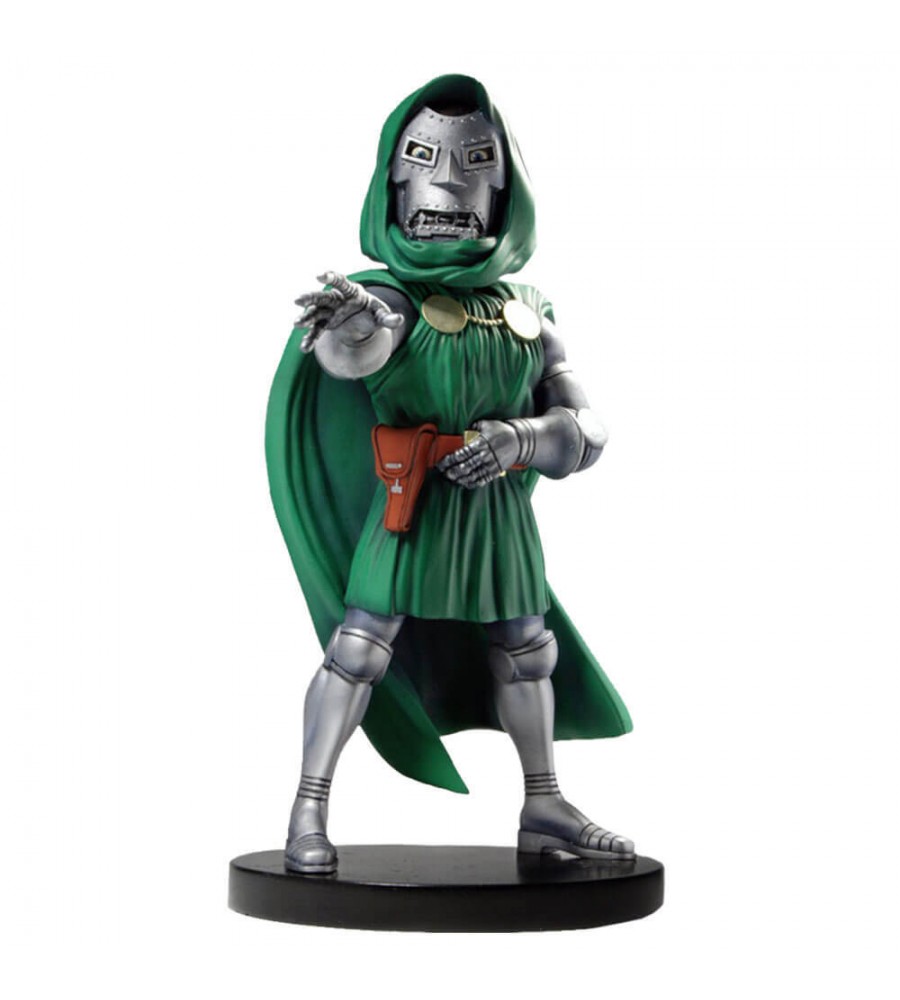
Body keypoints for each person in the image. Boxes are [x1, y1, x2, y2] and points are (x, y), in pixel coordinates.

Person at [266, 74, 635, 874]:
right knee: (359, 649)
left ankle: (543, 803)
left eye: (473, 160)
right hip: (411, 505)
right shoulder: (387, 302)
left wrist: (522, 437)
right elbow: (358, 348)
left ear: (504, 184)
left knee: (527, 650)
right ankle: (309, 803)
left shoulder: (527, 309)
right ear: (395, 179)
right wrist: (350, 326)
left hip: (497, 514)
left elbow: (587, 432)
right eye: (425, 157)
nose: (447, 181)